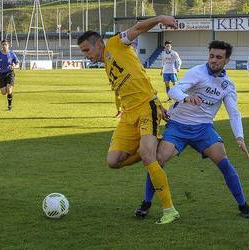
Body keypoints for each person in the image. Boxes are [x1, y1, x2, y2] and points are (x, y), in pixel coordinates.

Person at [134, 40, 249, 220]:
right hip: (178, 126)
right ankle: (146, 203)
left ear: (227, 60)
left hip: (203, 129)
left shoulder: (227, 85)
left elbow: (234, 112)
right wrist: (186, 99)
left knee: (224, 163)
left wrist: (239, 137)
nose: (214, 60)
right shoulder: (197, 72)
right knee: (157, 160)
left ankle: (243, 206)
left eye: (219, 57)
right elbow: (173, 91)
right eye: (211, 56)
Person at [77, 16, 180, 224]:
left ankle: (169, 210)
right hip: (128, 115)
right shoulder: (106, 63)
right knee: (113, 161)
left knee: (149, 157)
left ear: (99, 44)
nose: (86, 55)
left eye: (87, 50)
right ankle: (150, 145)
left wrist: (162, 19)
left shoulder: (116, 43)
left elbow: (139, 27)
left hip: (145, 108)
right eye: (83, 52)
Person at [0, 39, 19, 111]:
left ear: (8, 46)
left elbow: (18, 64)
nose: (4, 46)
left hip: (10, 73)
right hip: (1, 74)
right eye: (3, 45)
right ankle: (8, 93)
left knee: (9, 89)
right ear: (1, 45)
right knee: (3, 92)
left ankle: (9, 106)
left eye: (6, 45)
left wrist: (13, 67)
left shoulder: (12, 54)